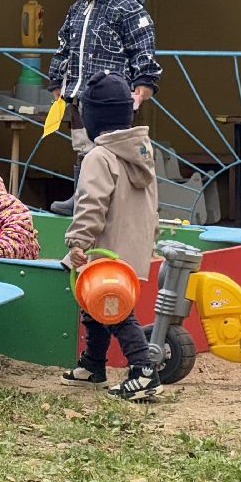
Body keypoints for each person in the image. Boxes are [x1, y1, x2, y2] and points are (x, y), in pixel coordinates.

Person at [61, 70, 161, 401]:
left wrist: (78, 242)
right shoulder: (143, 151)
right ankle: (93, 364)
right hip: (133, 246)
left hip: (107, 247)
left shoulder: (99, 157)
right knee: (94, 304)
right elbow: (152, 203)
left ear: (92, 117)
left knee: (113, 310)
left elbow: (90, 205)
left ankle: (144, 370)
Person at [46, 0, 161, 216]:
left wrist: (145, 80)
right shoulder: (76, 11)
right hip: (79, 92)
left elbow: (142, 43)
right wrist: (57, 79)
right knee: (83, 144)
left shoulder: (128, 8)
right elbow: (65, 46)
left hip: (112, 97)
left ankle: (117, 196)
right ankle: (82, 196)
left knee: (112, 145)